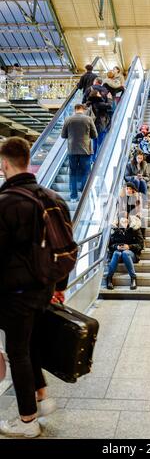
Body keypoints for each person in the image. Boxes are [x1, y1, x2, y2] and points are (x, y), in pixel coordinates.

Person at [0, 137, 71, 438]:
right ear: (28, 160)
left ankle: (27, 420)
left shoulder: (6, 203)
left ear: (5, 165)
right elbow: (67, 245)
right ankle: (40, 396)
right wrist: (59, 285)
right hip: (43, 288)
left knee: (17, 351)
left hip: (15, 292)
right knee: (29, 344)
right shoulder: (53, 198)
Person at [61, 104, 97, 202]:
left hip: (72, 150)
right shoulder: (88, 119)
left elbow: (63, 135)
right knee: (85, 172)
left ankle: (73, 196)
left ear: (75, 109)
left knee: (72, 173)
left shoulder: (68, 119)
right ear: (83, 109)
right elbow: (95, 135)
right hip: (85, 150)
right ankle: (84, 194)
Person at [106, 212, 144, 291]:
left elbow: (140, 245)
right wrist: (117, 246)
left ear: (128, 220)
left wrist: (129, 246)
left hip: (131, 253)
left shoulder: (135, 228)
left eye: (126, 221)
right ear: (119, 222)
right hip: (118, 253)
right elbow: (110, 245)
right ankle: (109, 278)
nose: (124, 223)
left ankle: (133, 278)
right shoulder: (115, 230)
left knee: (125, 253)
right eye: (122, 221)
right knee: (116, 253)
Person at [86, 89, 113, 162]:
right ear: (96, 95)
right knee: (101, 144)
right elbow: (109, 106)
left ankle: (93, 160)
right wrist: (109, 98)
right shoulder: (98, 103)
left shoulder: (91, 103)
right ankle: (100, 160)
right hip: (100, 126)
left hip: (94, 126)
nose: (100, 95)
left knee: (95, 143)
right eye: (98, 94)